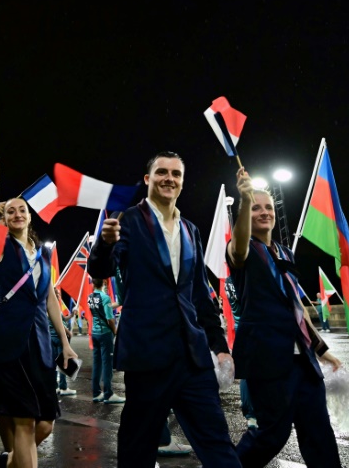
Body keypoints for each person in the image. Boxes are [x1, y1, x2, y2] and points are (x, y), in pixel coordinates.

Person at [88, 151, 239, 468]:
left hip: (192, 356)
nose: (169, 178)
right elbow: (100, 269)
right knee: (137, 449)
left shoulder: (190, 230)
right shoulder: (128, 220)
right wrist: (105, 243)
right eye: (161, 172)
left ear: (182, 182)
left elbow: (200, 293)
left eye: (176, 174)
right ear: (148, 179)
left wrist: (219, 346)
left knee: (218, 445)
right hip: (148, 355)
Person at [227, 168, 342, 467]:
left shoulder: (285, 253)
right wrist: (244, 199)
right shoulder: (242, 251)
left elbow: (296, 307)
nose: (263, 212)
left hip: (303, 359)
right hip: (267, 358)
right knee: (272, 434)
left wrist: (322, 350)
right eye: (256, 208)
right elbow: (238, 247)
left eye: (267, 207)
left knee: (319, 430)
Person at [0, 151, 78, 468]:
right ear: (5, 219)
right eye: (11, 211)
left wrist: (64, 342)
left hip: (39, 346)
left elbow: (49, 298)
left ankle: (9, 461)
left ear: (30, 215)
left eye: (22, 209)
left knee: (45, 423)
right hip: (9, 345)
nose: (18, 214)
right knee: (23, 422)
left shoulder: (40, 255)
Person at [87, 278, 124, 404]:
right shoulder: (106, 297)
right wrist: (115, 331)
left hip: (95, 333)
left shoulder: (90, 297)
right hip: (105, 334)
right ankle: (108, 393)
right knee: (107, 364)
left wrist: (118, 303)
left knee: (97, 364)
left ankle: (96, 393)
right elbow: (110, 319)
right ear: (104, 282)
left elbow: (100, 309)